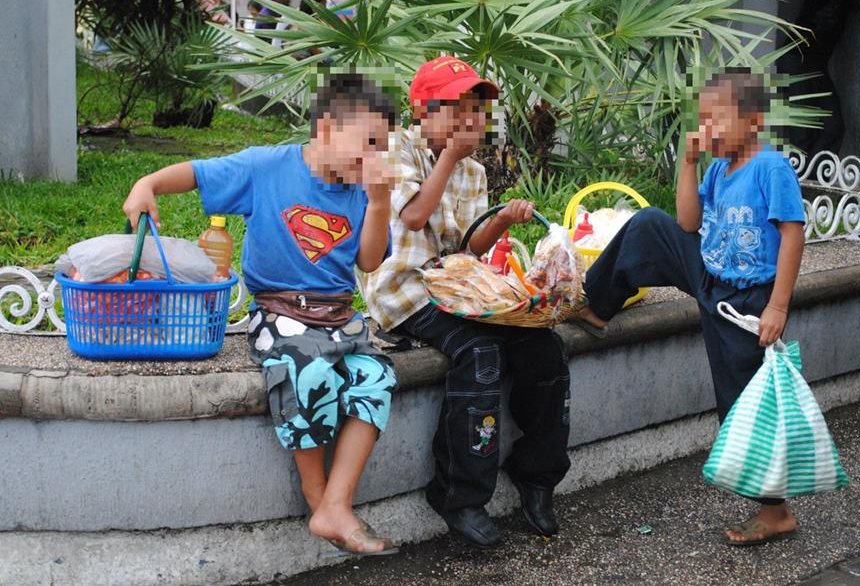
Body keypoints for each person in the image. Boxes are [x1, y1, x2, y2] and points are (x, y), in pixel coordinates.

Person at [122, 72, 400, 556]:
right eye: (368, 142)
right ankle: (318, 499)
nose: (375, 156)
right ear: (328, 129)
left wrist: (379, 203)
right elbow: (201, 171)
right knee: (307, 371)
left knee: (375, 376)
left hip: (339, 320)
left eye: (383, 145)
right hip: (281, 314)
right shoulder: (268, 168)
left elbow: (370, 261)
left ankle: (337, 501)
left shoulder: (363, 192)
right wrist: (148, 184)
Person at [576, 68, 806, 546]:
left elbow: (792, 233)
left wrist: (778, 307)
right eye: (703, 120)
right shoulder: (720, 168)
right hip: (709, 274)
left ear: (754, 120)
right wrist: (688, 162)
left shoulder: (771, 168)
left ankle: (776, 510)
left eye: (718, 121)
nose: (709, 130)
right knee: (650, 225)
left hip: (746, 300)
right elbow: (687, 222)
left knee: (741, 403)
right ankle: (597, 305)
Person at [360, 56, 571, 548]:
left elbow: (471, 245)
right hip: (406, 292)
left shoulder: (473, 170)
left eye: (477, 110)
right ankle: (459, 494)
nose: (471, 120)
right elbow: (412, 217)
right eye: (458, 108)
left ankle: (538, 476)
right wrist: (450, 158)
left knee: (545, 348)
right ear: (422, 110)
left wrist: (503, 219)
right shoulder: (398, 149)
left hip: (457, 286)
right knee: (478, 352)